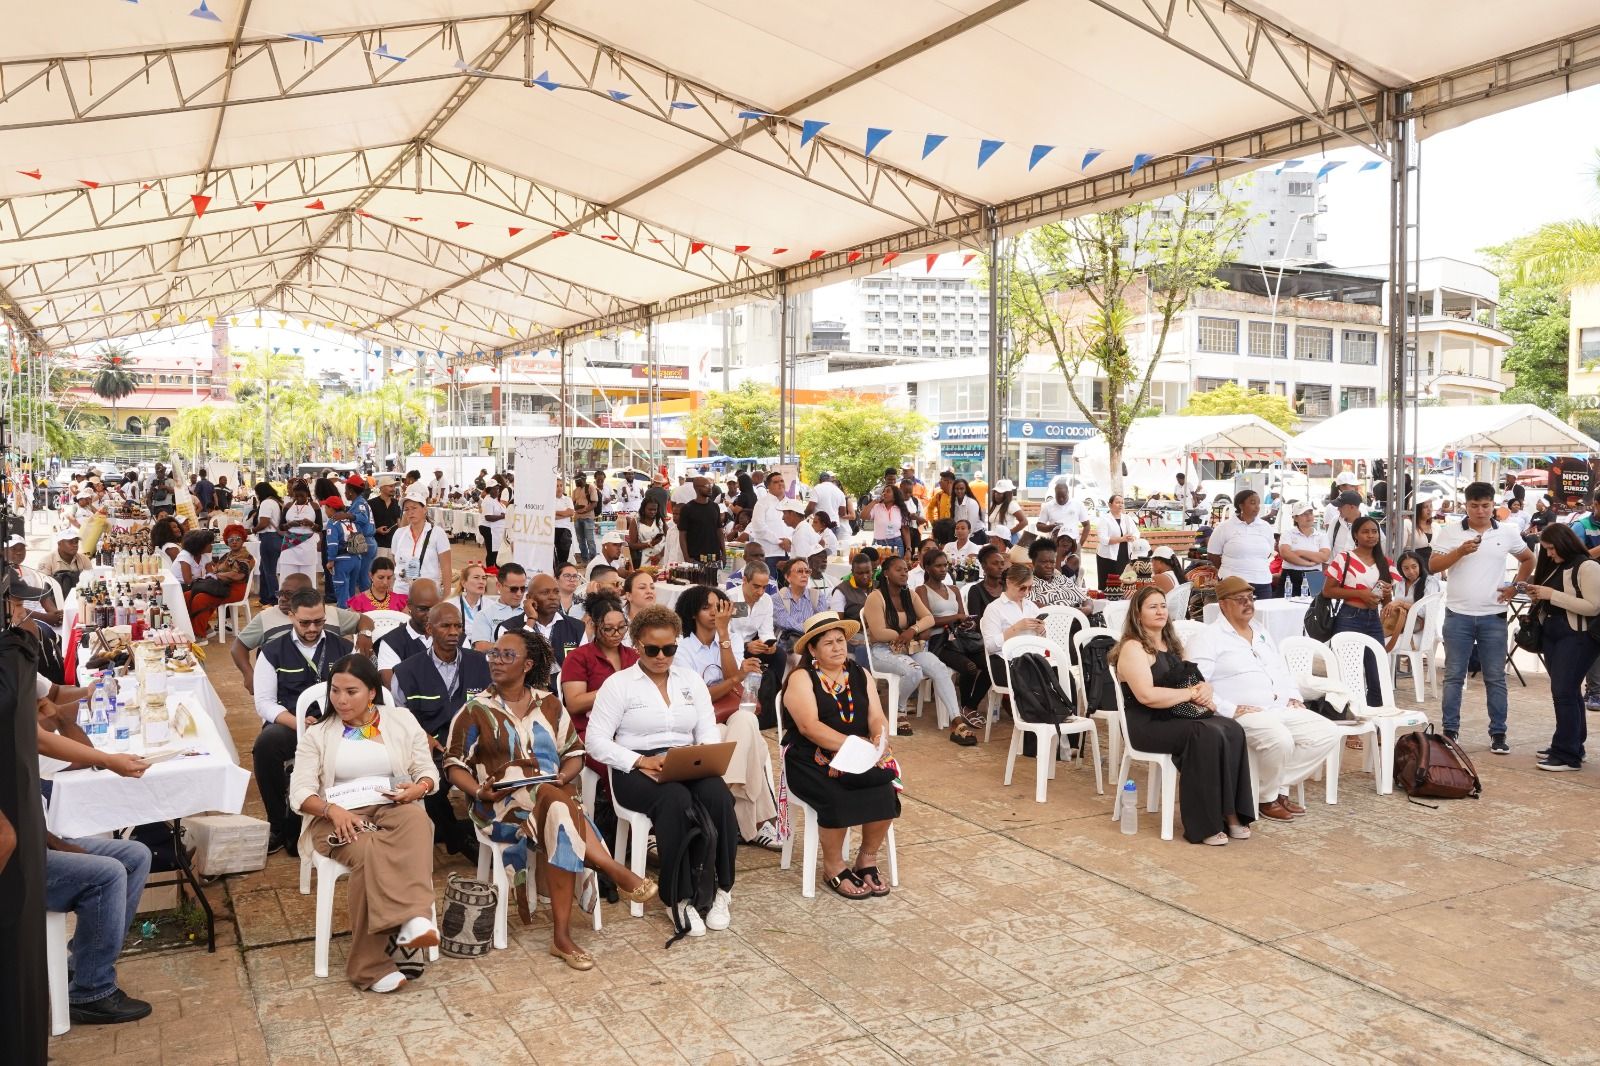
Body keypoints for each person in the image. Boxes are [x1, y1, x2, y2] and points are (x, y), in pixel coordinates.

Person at [445, 630, 658, 969]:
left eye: (506, 656)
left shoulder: (550, 704)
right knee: (557, 803)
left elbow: (575, 753)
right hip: (500, 807)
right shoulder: (475, 710)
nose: (496, 661)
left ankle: (562, 936)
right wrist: (476, 791)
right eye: (494, 655)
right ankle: (611, 869)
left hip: (552, 798)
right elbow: (454, 765)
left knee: (556, 809)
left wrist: (564, 775)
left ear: (528, 665)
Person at [586, 605, 741, 937]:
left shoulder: (690, 680)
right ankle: (679, 897)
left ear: (677, 644)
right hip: (634, 765)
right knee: (674, 800)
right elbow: (595, 742)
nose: (661, 656)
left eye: (669, 649)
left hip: (685, 759)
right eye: (652, 649)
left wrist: (705, 756)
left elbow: (707, 727)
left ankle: (720, 889)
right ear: (637, 645)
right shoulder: (619, 685)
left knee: (719, 797)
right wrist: (641, 761)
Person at [288, 654, 440, 991]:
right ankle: (369, 966)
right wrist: (331, 810)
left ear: (372, 692)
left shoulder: (399, 719)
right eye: (336, 691)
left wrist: (419, 787)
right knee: (370, 851)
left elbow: (427, 770)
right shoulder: (319, 734)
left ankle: (415, 919)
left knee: (417, 819)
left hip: (389, 804)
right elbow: (299, 791)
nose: (341, 700)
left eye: (351, 691)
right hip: (336, 817)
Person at [1112, 586, 1255, 845]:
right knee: (1204, 734)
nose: (1160, 611)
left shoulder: (1172, 645)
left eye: (1163, 605)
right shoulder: (1133, 648)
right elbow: (1146, 696)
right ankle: (1205, 825)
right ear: (1137, 613)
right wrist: (1190, 694)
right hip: (1146, 723)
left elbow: (1195, 680)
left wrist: (1205, 689)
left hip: (1177, 716)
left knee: (1232, 729)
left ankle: (1231, 813)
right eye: (1152, 606)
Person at [1189, 577, 1340, 822]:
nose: (1248, 604)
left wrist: (1293, 696)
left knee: (1327, 732)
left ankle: (1267, 789)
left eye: (1250, 598)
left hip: (1279, 706)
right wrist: (1230, 709)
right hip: (1242, 714)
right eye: (1240, 600)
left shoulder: (1260, 630)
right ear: (1224, 605)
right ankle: (1268, 798)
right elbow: (1196, 685)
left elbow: (1281, 668)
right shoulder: (1208, 638)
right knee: (1280, 740)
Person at [780, 612, 902, 898]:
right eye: (828, 643)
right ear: (812, 650)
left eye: (840, 641)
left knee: (885, 787)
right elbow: (809, 728)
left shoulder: (860, 674)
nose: (837, 648)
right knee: (835, 795)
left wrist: (878, 739)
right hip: (809, 758)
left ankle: (867, 859)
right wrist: (855, 745)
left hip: (856, 755)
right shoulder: (801, 678)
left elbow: (876, 716)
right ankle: (833, 866)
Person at [673, 585, 782, 848]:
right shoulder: (681, 648)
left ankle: (724, 804)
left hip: (731, 712)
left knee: (747, 722)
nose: (714, 612)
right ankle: (753, 824)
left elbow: (734, 681)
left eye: (718, 607)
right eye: (706, 607)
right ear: (692, 613)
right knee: (747, 742)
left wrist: (723, 634)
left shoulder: (729, 637)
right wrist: (735, 678)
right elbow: (703, 696)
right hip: (699, 720)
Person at [1430, 481, 1535, 749]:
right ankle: (1450, 730)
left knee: (1495, 677)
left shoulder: (1509, 532)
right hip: (1458, 615)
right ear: (1465, 505)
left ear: (1494, 505)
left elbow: (1528, 559)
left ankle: (1498, 734)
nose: (1480, 511)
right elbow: (1432, 566)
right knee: (1454, 675)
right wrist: (1459, 552)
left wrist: (1515, 586)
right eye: (1474, 506)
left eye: (1485, 505)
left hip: (1493, 615)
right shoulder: (1450, 532)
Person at [252, 588, 357, 854]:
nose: (312, 628)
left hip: (337, 723)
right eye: (305, 622)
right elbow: (264, 703)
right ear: (291, 616)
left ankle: (352, 812)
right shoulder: (272, 651)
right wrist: (300, 723)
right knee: (266, 745)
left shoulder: (343, 647)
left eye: (319, 622)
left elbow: (359, 690)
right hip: (291, 725)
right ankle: (279, 822)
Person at [390, 602, 486, 860]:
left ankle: (487, 835)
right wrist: (424, 737)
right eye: (446, 626)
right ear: (430, 629)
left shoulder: (482, 664)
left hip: (478, 746)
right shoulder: (407, 671)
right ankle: (460, 838)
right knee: (429, 785)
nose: (454, 632)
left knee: (500, 778)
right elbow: (399, 717)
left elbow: (493, 708)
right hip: (431, 748)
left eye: (458, 626)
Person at [1522, 523, 1600, 771]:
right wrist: (1537, 594)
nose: (1549, 554)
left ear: (1565, 543)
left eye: (1552, 548)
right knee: (1568, 691)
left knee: (1563, 691)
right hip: (1553, 634)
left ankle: (1567, 754)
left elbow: (1593, 606)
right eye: (1545, 549)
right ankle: (1572, 745)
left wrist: (1550, 595)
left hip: (1578, 636)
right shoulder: (1556, 565)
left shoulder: (1586, 566)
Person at [862, 554, 959, 734]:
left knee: (940, 668)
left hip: (908, 647)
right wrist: (902, 634)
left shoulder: (910, 594)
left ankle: (956, 719)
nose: (904, 573)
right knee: (914, 670)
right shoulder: (875, 598)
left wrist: (912, 630)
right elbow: (878, 632)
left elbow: (929, 618)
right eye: (898, 570)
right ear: (886, 574)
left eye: (906, 570)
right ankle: (900, 709)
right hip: (882, 650)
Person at [917, 549, 990, 745]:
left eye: (945, 565)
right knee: (970, 668)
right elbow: (928, 621)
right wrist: (956, 618)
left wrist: (966, 622)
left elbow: (962, 615)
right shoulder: (922, 591)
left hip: (960, 638)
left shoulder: (954, 590)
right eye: (938, 566)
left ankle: (969, 706)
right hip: (939, 642)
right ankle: (964, 706)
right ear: (927, 567)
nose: (943, 569)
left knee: (991, 665)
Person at [1322, 515, 1395, 705]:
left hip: (1373, 620)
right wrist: (1361, 594)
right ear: (1355, 535)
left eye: (1374, 531)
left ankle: (1375, 723)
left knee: (1377, 673)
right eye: (1365, 531)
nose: (1371, 536)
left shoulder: (1385, 562)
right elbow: (1328, 590)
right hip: (1349, 617)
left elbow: (1387, 600)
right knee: (1350, 675)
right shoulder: (1344, 558)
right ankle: (1353, 720)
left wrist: (1386, 594)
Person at [495, 574, 586, 669]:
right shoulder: (508, 628)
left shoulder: (577, 627)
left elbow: (584, 667)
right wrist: (531, 621)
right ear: (529, 598)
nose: (553, 597)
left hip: (564, 682)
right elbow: (511, 664)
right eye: (545, 593)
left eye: (556, 592)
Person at [1207, 490, 1277, 599]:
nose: (1257, 507)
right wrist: (1230, 570)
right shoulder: (1224, 527)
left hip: (1262, 582)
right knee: (1234, 615)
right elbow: (1212, 554)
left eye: (1258, 503)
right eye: (1252, 503)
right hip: (1233, 584)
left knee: (1262, 615)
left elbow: (1268, 553)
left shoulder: (1266, 527)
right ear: (1241, 505)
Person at [377, 580, 441, 683]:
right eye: (423, 609)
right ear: (409, 605)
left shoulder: (455, 636)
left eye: (434, 608)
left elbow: (471, 678)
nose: (429, 615)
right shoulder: (392, 642)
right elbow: (392, 687)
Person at [391, 494, 453, 598]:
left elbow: (446, 567)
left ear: (424, 509)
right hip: (401, 592)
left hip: (428, 593)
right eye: (406, 509)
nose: (410, 512)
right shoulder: (399, 533)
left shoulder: (437, 533)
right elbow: (395, 563)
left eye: (414, 508)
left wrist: (446, 597)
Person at [171, 528, 229, 637]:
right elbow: (187, 580)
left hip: (195, 584)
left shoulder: (205, 555)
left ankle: (202, 625)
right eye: (209, 544)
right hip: (180, 586)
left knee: (210, 594)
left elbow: (210, 574)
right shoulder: (185, 556)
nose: (212, 546)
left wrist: (208, 579)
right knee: (199, 596)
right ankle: (198, 627)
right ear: (200, 545)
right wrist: (205, 581)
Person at [1027, 537, 1096, 613]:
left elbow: (1085, 597)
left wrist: (1088, 608)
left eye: (1052, 562)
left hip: (1080, 619)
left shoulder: (1062, 579)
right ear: (1033, 562)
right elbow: (1030, 605)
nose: (1049, 566)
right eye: (1044, 562)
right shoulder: (1029, 584)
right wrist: (1068, 612)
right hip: (1056, 622)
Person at [319, 494, 364, 608]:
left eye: (326, 508)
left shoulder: (333, 522)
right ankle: (353, 613)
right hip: (356, 559)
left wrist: (330, 560)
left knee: (341, 591)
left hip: (342, 560)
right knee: (351, 591)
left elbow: (333, 544)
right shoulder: (351, 520)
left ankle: (343, 618)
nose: (325, 510)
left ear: (331, 508)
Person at [467, 562, 526, 648]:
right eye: (514, 589)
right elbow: (481, 647)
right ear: (498, 586)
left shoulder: (531, 612)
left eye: (523, 588)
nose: (519, 593)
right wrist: (517, 648)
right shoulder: (485, 615)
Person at [771, 558, 829, 643]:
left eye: (807, 571)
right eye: (800, 571)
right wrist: (811, 628)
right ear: (787, 577)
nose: (804, 575)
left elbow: (822, 622)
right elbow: (786, 623)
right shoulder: (777, 599)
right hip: (788, 643)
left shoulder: (817, 596)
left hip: (813, 640)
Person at [1382, 550, 1432, 650]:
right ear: (1401, 569)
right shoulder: (1400, 582)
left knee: (1381, 644)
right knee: (1373, 637)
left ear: (1420, 566)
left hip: (1420, 629)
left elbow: (1425, 612)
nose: (1411, 571)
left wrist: (1401, 603)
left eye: (1414, 567)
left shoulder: (1429, 582)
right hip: (1399, 626)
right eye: (1406, 568)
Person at [277, 481, 322, 590]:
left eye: (302, 495)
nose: (299, 498)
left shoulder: (314, 506)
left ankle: (308, 602)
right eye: (296, 495)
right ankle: (286, 601)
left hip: (308, 545)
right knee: (287, 576)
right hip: (289, 546)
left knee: (308, 577)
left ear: (307, 493)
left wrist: (311, 524)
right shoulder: (288, 506)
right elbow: (281, 527)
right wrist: (289, 524)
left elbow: (320, 527)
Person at [1278, 503, 1330, 597]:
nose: (1309, 516)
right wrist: (1308, 563)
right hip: (1291, 574)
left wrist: (1299, 552)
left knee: (1314, 608)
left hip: (1315, 575)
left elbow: (1324, 556)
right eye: (1304, 514)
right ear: (1295, 518)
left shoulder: (1321, 536)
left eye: (1310, 513)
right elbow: (1286, 554)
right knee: (1286, 605)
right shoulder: (1288, 534)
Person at [675, 476, 725, 564]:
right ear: (697, 488)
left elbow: (719, 530)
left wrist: (724, 553)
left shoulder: (715, 506)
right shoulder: (687, 508)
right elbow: (682, 535)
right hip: (695, 557)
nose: (710, 488)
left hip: (714, 557)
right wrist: (686, 557)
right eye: (706, 486)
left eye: (710, 485)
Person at [344, 475, 380, 591]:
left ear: (351, 491)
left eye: (346, 490)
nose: (345, 493)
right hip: (364, 541)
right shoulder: (358, 502)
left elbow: (363, 518)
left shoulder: (359, 503)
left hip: (363, 541)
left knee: (362, 577)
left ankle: (369, 605)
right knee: (360, 577)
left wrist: (348, 515)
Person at [252, 481, 285, 605]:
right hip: (276, 538)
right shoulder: (277, 502)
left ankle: (275, 599)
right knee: (264, 569)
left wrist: (253, 530)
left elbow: (264, 522)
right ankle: (264, 598)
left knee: (270, 571)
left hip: (268, 538)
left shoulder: (266, 503)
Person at [1096, 495, 1139, 584]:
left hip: (1124, 554)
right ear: (1110, 505)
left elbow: (1136, 532)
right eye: (1117, 502)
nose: (1120, 505)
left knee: (1123, 581)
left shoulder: (1127, 518)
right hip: (1107, 556)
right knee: (1108, 583)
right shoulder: (1104, 519)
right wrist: (1121, 539)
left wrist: (1133, 537)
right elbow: (1103, 539)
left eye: (1122, 503)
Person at [1037, 478, 1091, 547]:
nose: (1061, 499)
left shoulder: (1078, 505)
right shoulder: (1048, 506)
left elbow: (1087, 525)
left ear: (1068, 493)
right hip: (1054, 546)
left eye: (1063, 496)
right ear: (1055, 494)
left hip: (1073, 546)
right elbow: (1039, 526)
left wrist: (1080, 544)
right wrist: (1050, 527)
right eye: (1058, 497)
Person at [45, 529, 92, 596]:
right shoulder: (47, 561)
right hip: (57, 602)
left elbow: (91, 580)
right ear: (59, 544)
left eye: (76, 542)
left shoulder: (84, 559)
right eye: (70, 542)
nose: (75, 545)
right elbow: (44, 591)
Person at [629, 496, 668, 569]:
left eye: (655, 509)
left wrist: (660, 555)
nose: (653, 512)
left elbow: (669, 540)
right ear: (643, 509)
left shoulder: (660, 520)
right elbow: (632, 545)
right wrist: (650, 544)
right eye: (650, 509)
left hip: (661, 557)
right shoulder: (636, 521)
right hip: (645, 558)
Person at [1326, 490, 1369, 555]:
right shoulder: (1335, 521)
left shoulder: (1370, 524)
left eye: (1340, 506)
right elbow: (1327, 545)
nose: (1338, 509)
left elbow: (1381, 547)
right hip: (1337, 564)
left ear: (1352, 507)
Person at [986, 479, 1026, 545]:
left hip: (1008, 540)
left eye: (1000, 493)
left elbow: (1024, 522)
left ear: (1007, 494)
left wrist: (1009, 533)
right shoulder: (992, 504)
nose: (996, 494)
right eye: (996, 492)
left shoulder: (1011, 504)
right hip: (995, 540)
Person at [570, 472, 598, 562]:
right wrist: (576, 507)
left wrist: (585, 510)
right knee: (580, 540)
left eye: (577, 480)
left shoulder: (590, 488)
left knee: (590, 540)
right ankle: (584, 558)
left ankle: (593, 559)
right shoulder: (575, 491)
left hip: (588, 518)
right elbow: (573, 503)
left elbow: (594, 503)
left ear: (583, 479)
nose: (576, 482)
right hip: (577, 518)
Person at [478, 484, 506, 569]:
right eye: (495, 489)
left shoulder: (494, 500)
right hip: (488, 528)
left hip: (495, 529)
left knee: (495, 551)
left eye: (498, 489)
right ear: (489, 490)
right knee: (492, 552)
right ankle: (490, 571)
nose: (497, 491)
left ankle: (493, 570)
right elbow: (488, 517)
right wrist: (502, 516)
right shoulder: (488, 501)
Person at [552, 477, 576, 567]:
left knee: (563, 557)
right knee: (552, 558)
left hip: (565, 530)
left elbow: (571, 512)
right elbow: (549, 516)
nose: (559, 488)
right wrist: (564, 514)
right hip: (552, 529)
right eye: (557, 486)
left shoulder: (567, 499)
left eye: (561, 486)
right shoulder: (549, 500)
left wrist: (555, 512)